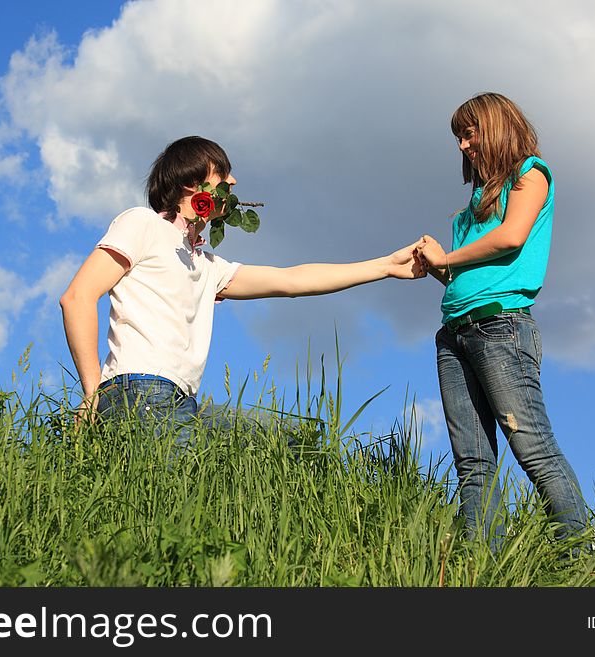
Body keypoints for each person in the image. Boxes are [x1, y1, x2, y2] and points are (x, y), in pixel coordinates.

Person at [60, 135, 427, 444]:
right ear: (192, 183)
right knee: (177, 505)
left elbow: (291, 281)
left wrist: (385, 266)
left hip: (180, 398)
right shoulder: (141, 224)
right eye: (223, 173)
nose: (233, 182)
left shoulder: (206, 264)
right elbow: (77, 297)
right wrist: (93, 395)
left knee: (291, 439)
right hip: (139, 388)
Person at [417, 93, 587, 551]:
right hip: (455, 333)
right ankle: (482, 566)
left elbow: (511, 238)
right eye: (458, 137)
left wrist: (448, 258)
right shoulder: (473, 205)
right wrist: (436, 266)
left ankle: (582, 557)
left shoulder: (530, 173)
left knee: (532, 448)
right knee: (472, 462)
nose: (462, 145)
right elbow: (462, 280)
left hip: (502, 328)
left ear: (495, 126)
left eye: (469, 133)